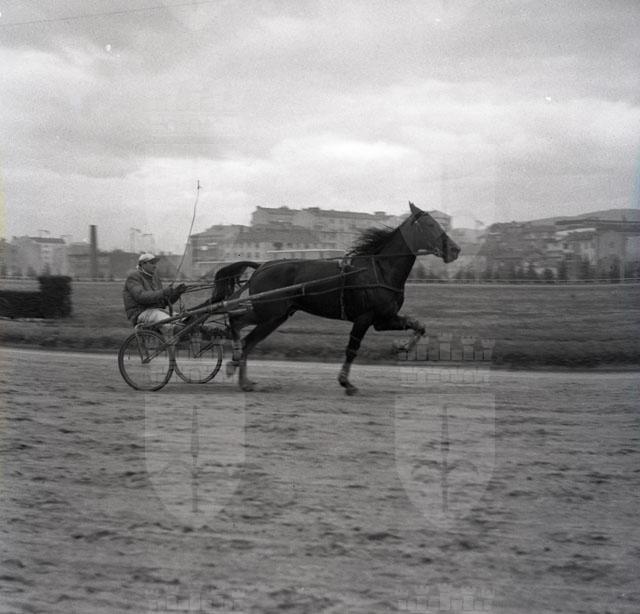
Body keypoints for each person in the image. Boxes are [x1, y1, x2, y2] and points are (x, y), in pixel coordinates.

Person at [123, 253, 187, 333]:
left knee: (183, 318)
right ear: (143, 264)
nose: (155, 266)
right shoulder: (134, 277)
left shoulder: (155, 278)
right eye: (152, 263)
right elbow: (141, 297)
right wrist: (163, 292)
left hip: (157, 311)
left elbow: (164, 302)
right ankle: (175, 331)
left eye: (155, 263)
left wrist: (176, 293)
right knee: (167, 320)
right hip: (140, 313)